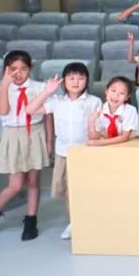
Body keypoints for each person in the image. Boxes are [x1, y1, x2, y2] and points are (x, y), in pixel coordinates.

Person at [25, 62, 101, 240]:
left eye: (81, 78)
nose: (76, 82)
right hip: (64, 153)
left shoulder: (94, 101)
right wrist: (47, 91)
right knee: (68, 191)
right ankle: (74, 222)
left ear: (87, 81)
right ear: (64, 81)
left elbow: (99, 127)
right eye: (71, 78)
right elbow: (30, 109)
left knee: (86, 189)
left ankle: (88, 221)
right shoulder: (56, 101)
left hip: (87, 152)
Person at [0, 51, 48, 240]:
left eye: (24, 69)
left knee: (33, 181)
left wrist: (49, 141)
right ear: (5, 70)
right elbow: (3, 111)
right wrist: (4, 85)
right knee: (15, 185)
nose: (18, 73)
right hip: (12, 135)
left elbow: (48, 116)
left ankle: (31, 220)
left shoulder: (40, 87)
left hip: (35, 133)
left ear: (30, 69)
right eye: (13, 69)